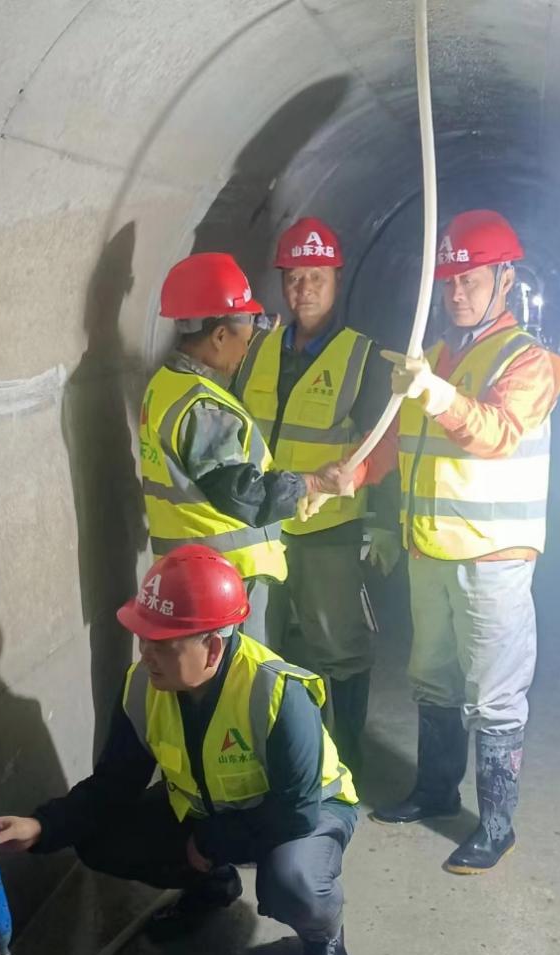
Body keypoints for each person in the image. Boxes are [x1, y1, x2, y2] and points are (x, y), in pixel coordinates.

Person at [0, 546, 360, 955]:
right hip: (211, 811)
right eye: (143, 639)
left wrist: (212, 843)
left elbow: (295, 812)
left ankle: (324, 936)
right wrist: (43, 826)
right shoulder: (144, 686)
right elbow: (113, 785)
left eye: (163, 644)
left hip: (309, 813)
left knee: (292, 882)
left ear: (212, 648)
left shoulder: (276, 692)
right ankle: (213, 884)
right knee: (100, 839)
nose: (147, 655)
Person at [369, 209, 560, 874]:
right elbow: (401, 444)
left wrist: (433, 393)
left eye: (470, 280)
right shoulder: (440, 357)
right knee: (432, 679)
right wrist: (350, 476)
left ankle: (496, 825)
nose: (456, 293)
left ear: (504, 280)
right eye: (449, 282)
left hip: (492, 558)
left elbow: (497, 433)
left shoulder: (527, 360)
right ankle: (433, 791)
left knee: (493, 696)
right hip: (430, 549)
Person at [233, 218, 400, 775]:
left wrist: (379, 513)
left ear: (337, 280)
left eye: (316, 278)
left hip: (329, 530)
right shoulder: (258, 348)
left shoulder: (362, 356)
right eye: (294, 278)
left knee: (339, 646)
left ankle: (347, 759)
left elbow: (385, 445)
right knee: (265, 646)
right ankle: (285, 759)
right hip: (266, 526)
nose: (303, 289)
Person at [138, 251, 356, 644]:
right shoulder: (203, 407)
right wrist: (310, 484)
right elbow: (242, 492)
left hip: (192, 571)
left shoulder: (166, 385)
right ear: (220, 336)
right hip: (227, 578)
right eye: (247, 332)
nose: (251, 344)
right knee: (243, 676)